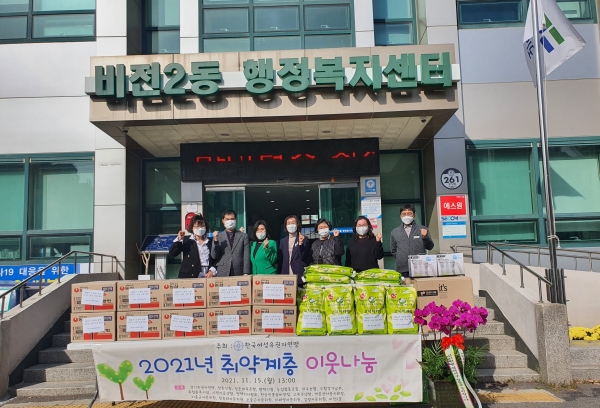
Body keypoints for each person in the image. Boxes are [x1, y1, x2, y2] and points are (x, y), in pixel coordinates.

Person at [390, 204, 434, 278]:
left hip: (420, 267)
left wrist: (425, 237)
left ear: (414, 215)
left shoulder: (422, 229)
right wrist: (401, 257)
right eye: (404, 214)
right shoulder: (395, 232)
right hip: (403, 269)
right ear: (400, 216)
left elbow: (430, 247)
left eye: (409, 213)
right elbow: (393, 250)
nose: (406, 216)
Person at [169, 214, 216, 278]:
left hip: (207, 275)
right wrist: (179, 240)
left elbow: (216, 258)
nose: (200, 228)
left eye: (202, 226)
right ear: (192, 228)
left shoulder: (210, 241)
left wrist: (212, 270)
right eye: (197, 226)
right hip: (190, 275)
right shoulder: (186, 240)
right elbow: (172, 253)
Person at [211, 209, 250, 276]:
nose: (230, 221)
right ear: (223, 221)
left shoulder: (243, 236)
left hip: (238, 270)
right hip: (223, 271)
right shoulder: (218, 236)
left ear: (236, 220)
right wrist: (215, 241)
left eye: (232, 219)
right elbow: (214, 256)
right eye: (227, 219)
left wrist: (246, 272)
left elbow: (246, 256)